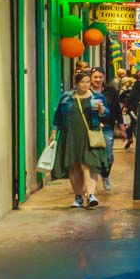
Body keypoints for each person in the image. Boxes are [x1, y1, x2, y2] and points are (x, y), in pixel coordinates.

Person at [51, 68, 108, 208]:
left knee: (89, 164)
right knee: (74, 165)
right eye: (82, 82)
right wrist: (53, 133)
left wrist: (101, 110)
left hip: (90, 134)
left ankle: (91, 194)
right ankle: (78, 196)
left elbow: (107, 114)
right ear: (76, 83)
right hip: (70, 134)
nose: (86, 85)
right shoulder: (66, 97)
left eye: (88, 82)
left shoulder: (97, 97)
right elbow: (58, 116)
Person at [89, 68, 122, 191]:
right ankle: (91, 184)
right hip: (91, 127)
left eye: (100, 77)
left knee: (108, 155)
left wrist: (121, 125)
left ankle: (105, 175)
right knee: (90, 157)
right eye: (95, 77)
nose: (98, 80)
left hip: (107, 127)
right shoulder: (86, 91)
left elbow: (116, 108)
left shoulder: (110, 91)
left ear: (104, 78)